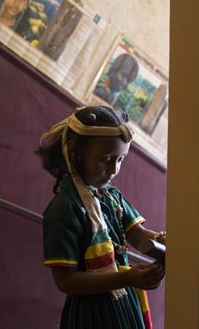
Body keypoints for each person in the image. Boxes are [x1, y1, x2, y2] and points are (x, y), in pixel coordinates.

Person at [37, 105, 166, 329]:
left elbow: (137, 234)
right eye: (106, 159)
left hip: (123, 302)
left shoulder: (111, 196)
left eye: (120, 159)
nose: (114, 169)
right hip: (91, 315)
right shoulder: (63, 209)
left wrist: (164, 241)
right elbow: (65, 281)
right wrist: (126, 278)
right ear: (73, 151)